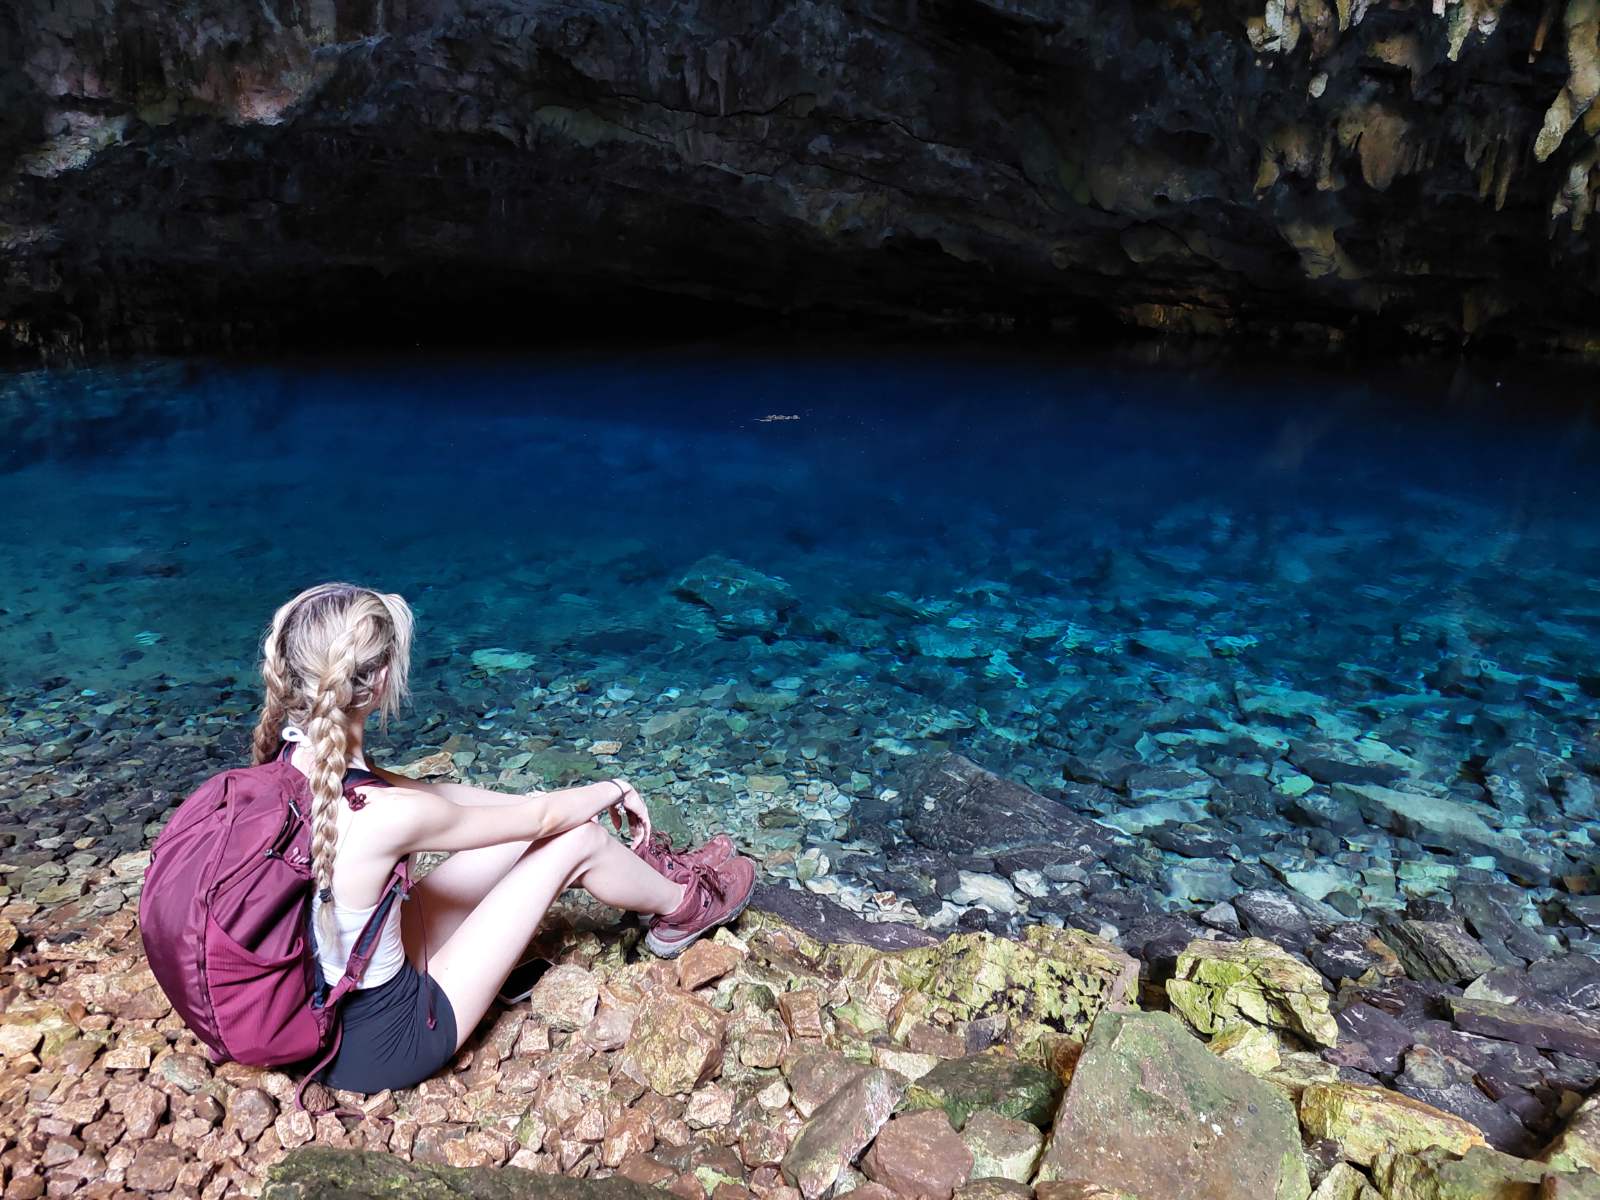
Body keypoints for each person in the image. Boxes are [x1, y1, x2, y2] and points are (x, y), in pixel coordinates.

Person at [251, 582, 756, 1094]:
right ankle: (684, 906)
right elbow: (533, 823)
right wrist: (611, 788)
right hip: (386, 1040)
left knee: (550, 825)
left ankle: (646, 880)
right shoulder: (387, 815)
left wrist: (550, 802)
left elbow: (440, 794)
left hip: (327, 1001)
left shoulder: (294, 765)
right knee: (577, 840)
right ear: (378, 680)